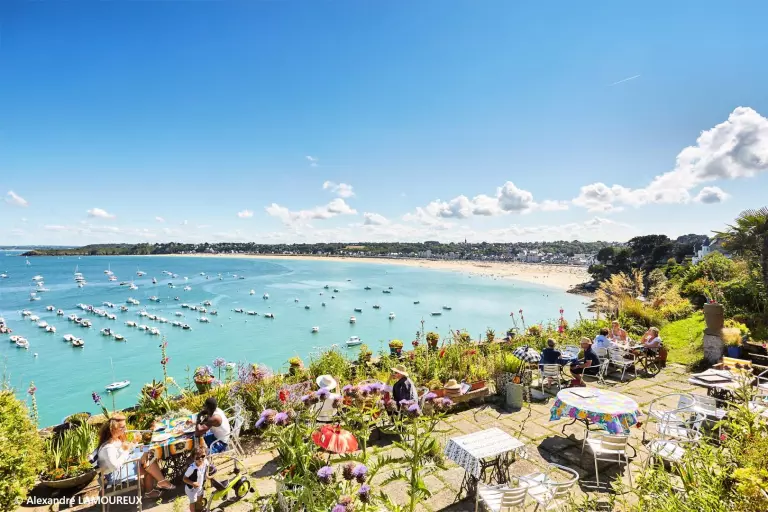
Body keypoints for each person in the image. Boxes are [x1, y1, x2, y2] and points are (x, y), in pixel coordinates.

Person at [96, 413, 175, 496]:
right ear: (113, 429)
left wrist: (135, 442)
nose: (125, 429)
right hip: (117, 473)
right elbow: (115, 466)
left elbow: (127, 451)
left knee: (149, 450)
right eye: (122, 427)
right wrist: (126, 450)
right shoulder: (108, 447)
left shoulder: (115, 439)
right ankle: (160, 483)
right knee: (148, 458)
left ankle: (157, 484)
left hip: (125, 463)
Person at [183, 448, 209, 512]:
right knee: (193, 502)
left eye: (203, 456)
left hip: (199, 486)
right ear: (194, 459)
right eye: (197, 458)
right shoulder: (192, 468)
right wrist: (192, 483)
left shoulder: (205, 462)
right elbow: (184, 478)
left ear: (205, 455)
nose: (200, 459)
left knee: (200, 498)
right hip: (191, 489)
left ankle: (199, 509)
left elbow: (207, 467)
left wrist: (207, 475)